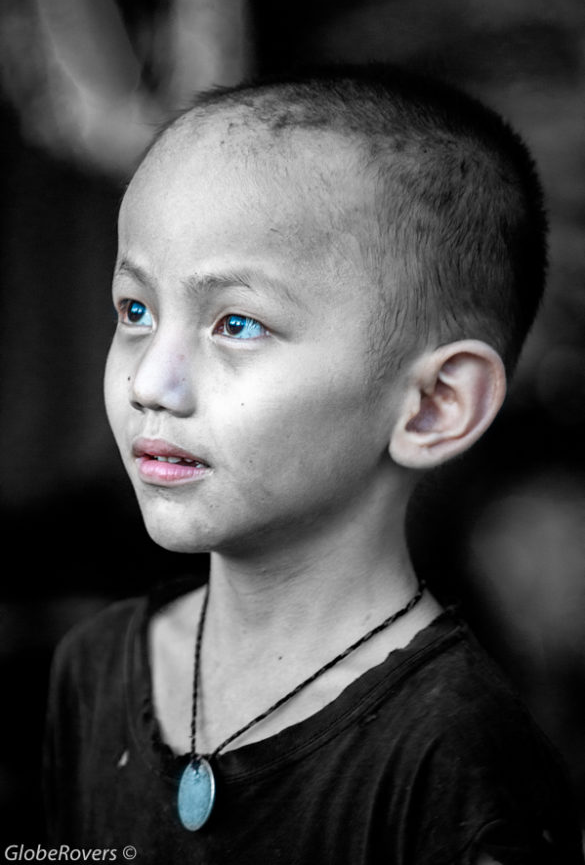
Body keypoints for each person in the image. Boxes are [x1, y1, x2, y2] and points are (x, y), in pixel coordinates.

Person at [44, 66, 585, 863]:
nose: (147, 381)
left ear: (434, 404)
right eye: (136, 311)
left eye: (236, 322)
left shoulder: (453, 755)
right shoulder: (93, 666)